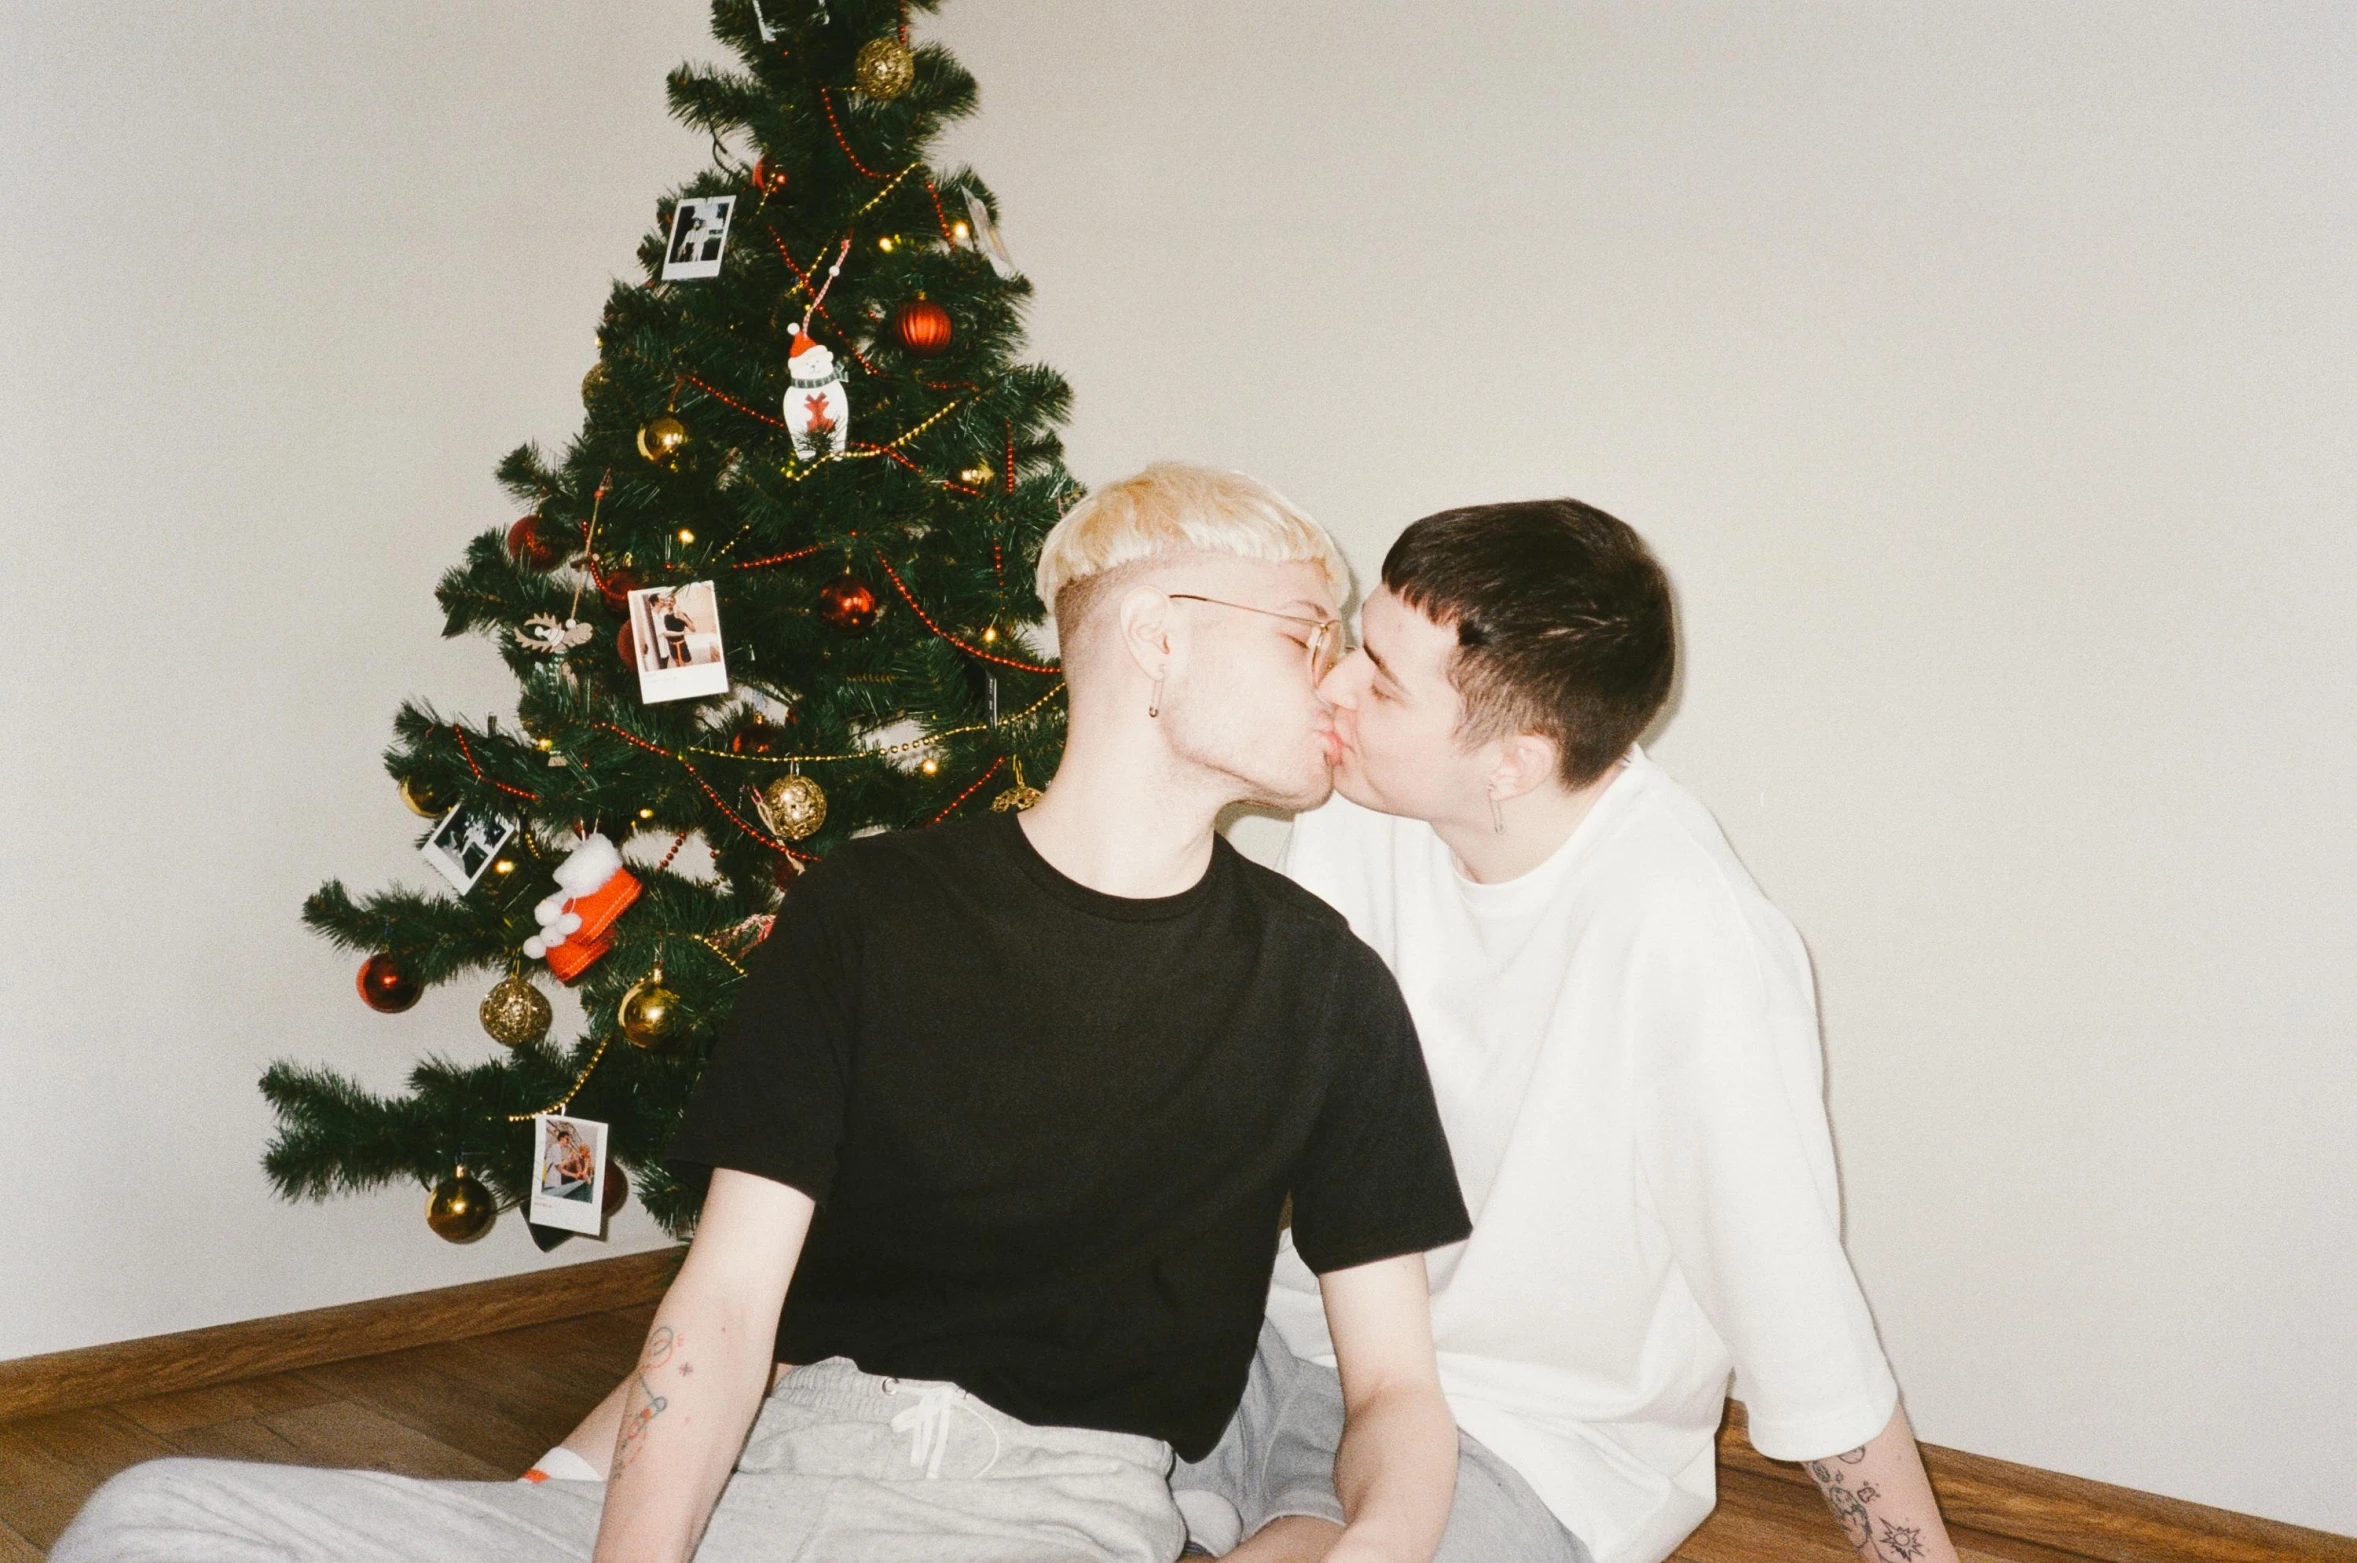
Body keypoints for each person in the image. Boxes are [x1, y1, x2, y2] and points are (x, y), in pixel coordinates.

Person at [52, 463, 1473, 1563]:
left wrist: (1375, 1545)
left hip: (1039, 1516)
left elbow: (1395, 1394)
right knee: (152, 1515)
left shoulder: (1323, 986)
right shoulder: (874, 907)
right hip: (756, 1480)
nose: (1342, 676)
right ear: (1159, 635)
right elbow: (727, 1300)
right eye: (1306, 631)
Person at [1169, 499, 1963, 1563]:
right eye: (1360, 646)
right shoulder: (1361, 803)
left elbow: (1800, 1327)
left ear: (1514, 762)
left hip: (1529, 1432)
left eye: (1382, 681)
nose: (1334, 686)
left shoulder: (1691, 944)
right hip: (1294, 1337)